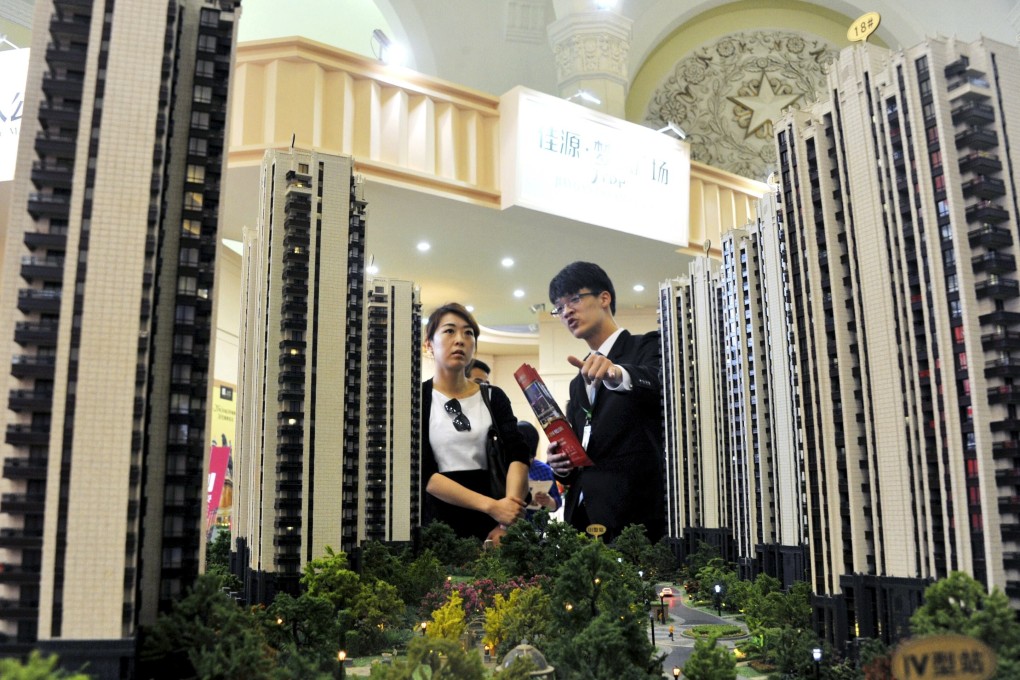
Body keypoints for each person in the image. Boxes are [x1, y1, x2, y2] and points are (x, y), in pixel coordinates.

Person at [545, 261, 666, 543]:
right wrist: (562, 465)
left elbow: (660, 384)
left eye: (574, 299)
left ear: (604, 298)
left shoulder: (647, 346)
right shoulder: (578, 382)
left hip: (635, 518)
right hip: (582, 518)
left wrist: (617, 373)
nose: (567, 311)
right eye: (559, 307)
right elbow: (587, 446)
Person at [421, 303, 530, 544]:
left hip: (495, 525)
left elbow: (518, 455)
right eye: (449, 331)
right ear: (428, 344)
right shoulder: (417, 399)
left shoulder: (493, 396)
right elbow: (423, 472)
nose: (460, 340)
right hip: (439, 523)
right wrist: (491, 506)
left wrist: (505, 522)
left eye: (468, 333)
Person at [516, 421, 562, 517]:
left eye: (529, 458)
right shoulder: (503, 468)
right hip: (508, 523)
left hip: (537, 523)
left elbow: (557, 504)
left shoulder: (545, 470)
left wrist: (548, 501)